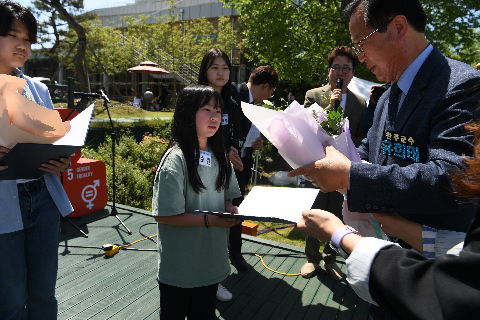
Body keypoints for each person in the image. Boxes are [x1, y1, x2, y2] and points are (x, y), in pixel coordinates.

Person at [289, 0, 480, 318]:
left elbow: (453, 179)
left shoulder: (461, 86)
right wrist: (332, 161)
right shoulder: (389, 94)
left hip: (435, 282)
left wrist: (350, 175)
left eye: (360, 43)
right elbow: (372, 153)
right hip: (385, 264)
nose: (359, 58)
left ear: (399, 28)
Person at [296, 118, 480, 320]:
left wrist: (339, 234)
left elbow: (439, 294)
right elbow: (372, 144)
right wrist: (403, 229)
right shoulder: (387, 97)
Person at [0, 2, 73, 319]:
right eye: (13, 35)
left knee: (44, 295)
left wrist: (60, 161)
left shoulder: (38, 89)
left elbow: (53, 141)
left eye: (28, 39)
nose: (22, 45)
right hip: (3, 204)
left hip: (42, 197)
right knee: (11, 301)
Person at [152, 85, 242, 319]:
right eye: (206, 109)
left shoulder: (221, 156)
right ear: (186, 112)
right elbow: (164, 214)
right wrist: (211, 220)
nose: (215, 116)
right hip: (180, 266)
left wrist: (230, 210)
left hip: (211, 262)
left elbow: (227, 196)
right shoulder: (176, 160)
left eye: (218, 110)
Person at [301, 46, 367, 281]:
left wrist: (349, 145)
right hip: (317, 165)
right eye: (336, 67)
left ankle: (331, 259)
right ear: (329, 71)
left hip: (343, 169)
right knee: (315, 212)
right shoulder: (314, 94)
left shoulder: (360, 102)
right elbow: (307, 127)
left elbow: (362, 135)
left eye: (346, 68)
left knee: (338, 214)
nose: (341, 72)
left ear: (352, 73)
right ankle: (311, 258)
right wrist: (331, 106)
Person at [197, 48, 242, 300]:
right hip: (199, 171)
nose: (221, 72)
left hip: (222, 173)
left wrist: (232, 150)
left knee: (221, 225)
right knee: (201, 225)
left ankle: (213, 280)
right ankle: (197, 277)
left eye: (225, 67)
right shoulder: (195, 99)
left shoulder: (231, 103)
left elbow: (230, 137)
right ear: (205, 70)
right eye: (215, 67)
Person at [229, 65, 280, 271]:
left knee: (236, 211)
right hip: (221, 164)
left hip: (241, 166)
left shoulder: (258, 105)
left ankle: (235, 252)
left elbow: (250, 134)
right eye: (271, 92)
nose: (270, 97)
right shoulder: (230, 92)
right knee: (216, 209)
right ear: (266, 86)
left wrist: (257, 143)